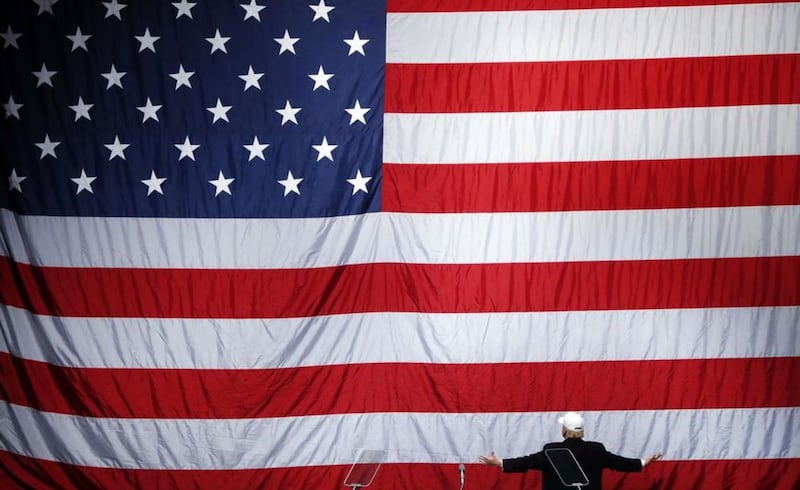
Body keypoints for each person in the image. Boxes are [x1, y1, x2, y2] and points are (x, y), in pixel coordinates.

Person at [478, 412, 662, 489]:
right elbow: (621, 463)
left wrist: (499, 463)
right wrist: (644, 461)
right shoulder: (596, 450)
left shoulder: (552, 451)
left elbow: (527, 462)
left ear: (565, 430)